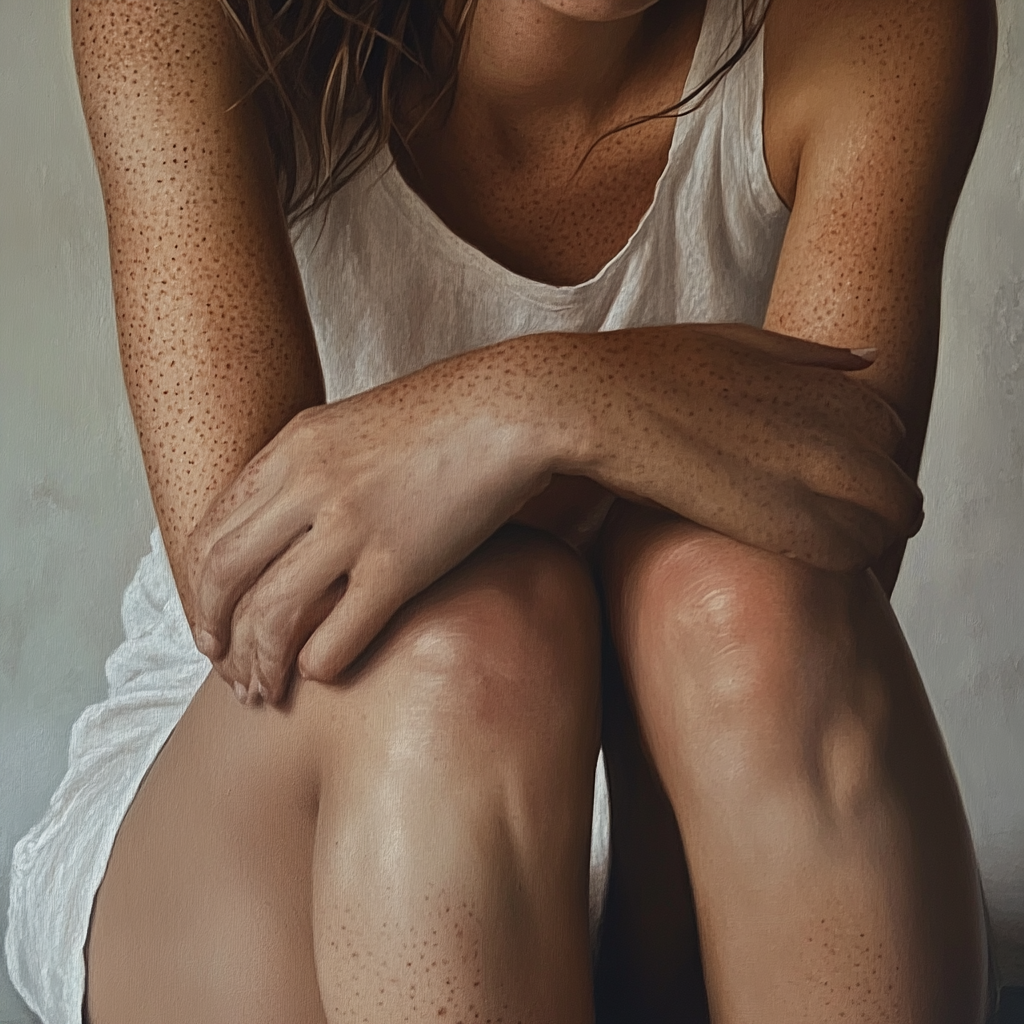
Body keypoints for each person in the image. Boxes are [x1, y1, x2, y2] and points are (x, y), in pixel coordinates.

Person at [4, 0, 998, 1020]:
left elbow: (851, 498)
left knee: (752, 602)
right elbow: (256, 591)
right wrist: (590, 419)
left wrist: (525, 411)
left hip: (677, 786)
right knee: (469, 647)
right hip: (260, 781)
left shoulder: (878, 22)